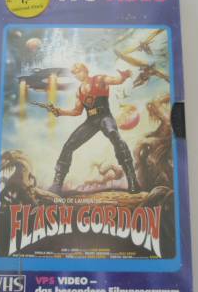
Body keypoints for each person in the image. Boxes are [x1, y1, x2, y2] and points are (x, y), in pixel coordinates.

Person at [46, 62, 140, 194]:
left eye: (79, 71)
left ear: (85, 70)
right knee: (69, 145)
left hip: (105, 117)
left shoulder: (99, 79)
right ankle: (57, 183)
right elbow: (77, 111)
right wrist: (60, 112)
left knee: (114, 135)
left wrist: (124, 76)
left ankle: (132, 179)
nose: (77, 75)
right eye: (75, 73)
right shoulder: (79, 91)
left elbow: (116, 80)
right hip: (91, 121)